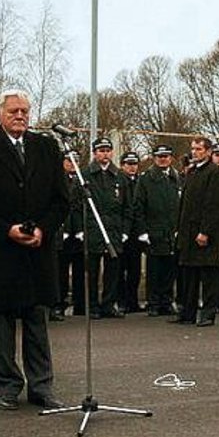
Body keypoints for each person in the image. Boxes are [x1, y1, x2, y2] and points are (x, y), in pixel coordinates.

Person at [0, 89, 69, 410]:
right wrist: (7, 229)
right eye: (14, 111)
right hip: (1, 251)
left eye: (25, 111)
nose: (20, 116)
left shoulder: (47, 148)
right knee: (2, 321)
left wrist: (43, 228)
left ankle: (41, 385)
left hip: (38, 250)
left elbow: (61, 200)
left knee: (37, 318)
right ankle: (7, 384)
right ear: (0, 114)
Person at [174, 137, 219, 326]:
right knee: (189, 273)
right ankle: (188, 312)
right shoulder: (192, 172)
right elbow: (186, 204)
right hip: (188, 231)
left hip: (205, 233)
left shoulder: (214, 173)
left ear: (208, 151)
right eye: (193, 149)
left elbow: (214, 205)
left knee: (209, 274)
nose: (195, 152)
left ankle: (208, 313)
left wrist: (205, 231)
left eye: (198, 149)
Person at [83, 137, 131, 319]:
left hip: (114, 229)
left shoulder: (120, 176)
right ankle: (93, 306)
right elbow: (76, 204)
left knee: (113, 271)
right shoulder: (86, 174)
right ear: (95, 153)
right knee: (92, 271)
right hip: (93, 228)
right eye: (101, 150)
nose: (105, 154)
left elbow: (128, 206)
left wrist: (125, 230)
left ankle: (109, 304)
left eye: (107, 150)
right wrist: (83, 227)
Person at [134, 144, 182, 317]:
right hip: (154, 229)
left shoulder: (176, 178)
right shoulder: (146, 178)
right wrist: (143, 231)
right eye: (160, 156)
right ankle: (153, 302)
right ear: (154, 158)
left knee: (170, 269)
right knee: (154, 269)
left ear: (171, 158)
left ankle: (167, 301)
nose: (163, 159)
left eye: (166, 156)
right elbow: (138, 206)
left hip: (172, 231)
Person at [54, 151, 85, 318]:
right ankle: (59, 303)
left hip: (79, 232)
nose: (72, 163)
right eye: (69, 160)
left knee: (80, 270)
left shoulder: (83, 180)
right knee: (61, 271)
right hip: (62, 230)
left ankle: (80, 304)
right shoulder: (58, 180)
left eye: (75, 160)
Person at [117, 151, 143, 313]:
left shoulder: (140, 181)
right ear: (122, 165)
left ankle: (132, 301)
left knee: (135, 269)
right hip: (121, 230)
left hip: (136, 232)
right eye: (129, 164)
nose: (132, 167)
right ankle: (121, 301)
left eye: (134, 164)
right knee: (120, 269)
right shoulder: (119, 181)